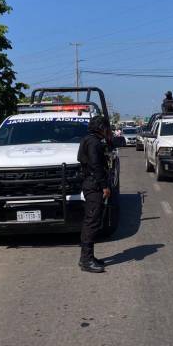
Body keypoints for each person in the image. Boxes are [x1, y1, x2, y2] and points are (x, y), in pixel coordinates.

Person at [76, 115, 111, 273]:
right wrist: (104, 186)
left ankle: (88, 257)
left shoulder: (87, 139)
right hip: (94, 185)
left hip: (90, 183)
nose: (106, 130)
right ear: (100, 127)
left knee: (92, 220)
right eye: (105, 127)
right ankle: (86, 260)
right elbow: (96, 165)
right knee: (92, 222)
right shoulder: (93, 142)